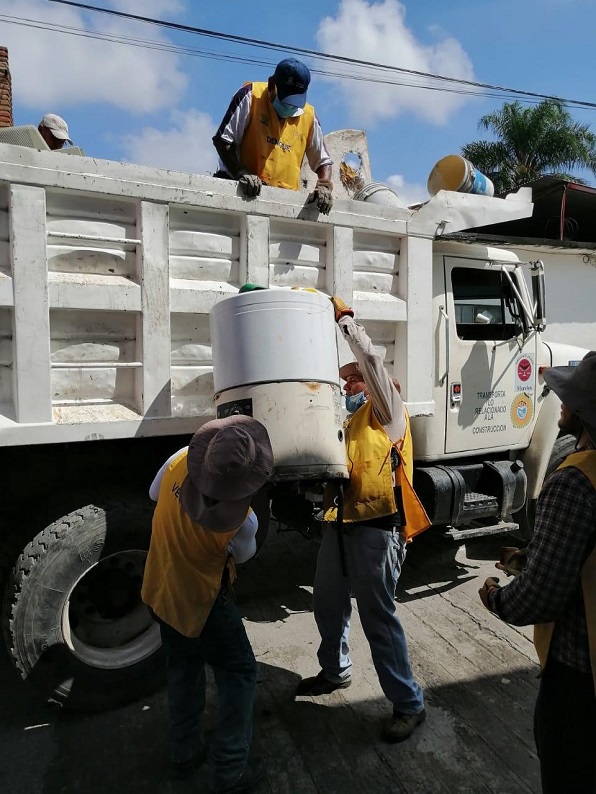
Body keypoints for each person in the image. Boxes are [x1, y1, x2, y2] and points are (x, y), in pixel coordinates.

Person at [295, 296, 431, 743]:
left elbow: (370, 359)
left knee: (378, 618)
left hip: (379, 528)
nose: (347, 385)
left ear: (372, 384)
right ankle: (336, 671)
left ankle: (408, 702)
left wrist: (346, 322)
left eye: (352, 379)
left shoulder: (388, 412)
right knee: (327, 603)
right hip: (341, 524)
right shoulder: (350, 423)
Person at [478, 351, 596, 794]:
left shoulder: (573, 482)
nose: (559, 402)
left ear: (583, 414)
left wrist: (496, 595)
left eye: (569, 396)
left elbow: (540, 598)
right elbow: (581, 558)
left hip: (578, 680)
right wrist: (529, 556)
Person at [141, 415, 274, 793]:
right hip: (202, 605)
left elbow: (154, 495)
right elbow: (244, 558)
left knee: (183, 667)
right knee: (239, 672)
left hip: (161, 588)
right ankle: (230, 770)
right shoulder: (242, 522)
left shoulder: (179, 458)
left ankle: (183, 755)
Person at [212, 57, 334, 213]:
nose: (289, 106)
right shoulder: (250, 96)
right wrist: (240, 172)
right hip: (243, 197)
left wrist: (324, 185)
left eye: (295, 101)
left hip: (283, 205)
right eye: (285, 99)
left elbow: (323, 161)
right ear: (271, 85)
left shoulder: (309, 116)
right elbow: (222, 140)